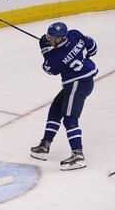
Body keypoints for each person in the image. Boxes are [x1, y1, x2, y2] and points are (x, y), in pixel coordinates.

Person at [30, 22, 98, 171]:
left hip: (77, 84)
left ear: (60, 38)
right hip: (83, 81)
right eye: (48, 36)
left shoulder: (55, 57)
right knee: (56, 107)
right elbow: (93, 47)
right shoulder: (74, 34)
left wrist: (45, 51)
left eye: (52, 38)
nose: (49, 40)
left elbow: (49, 69)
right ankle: (45, 145)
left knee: (69, 117)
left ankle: (78, 154)